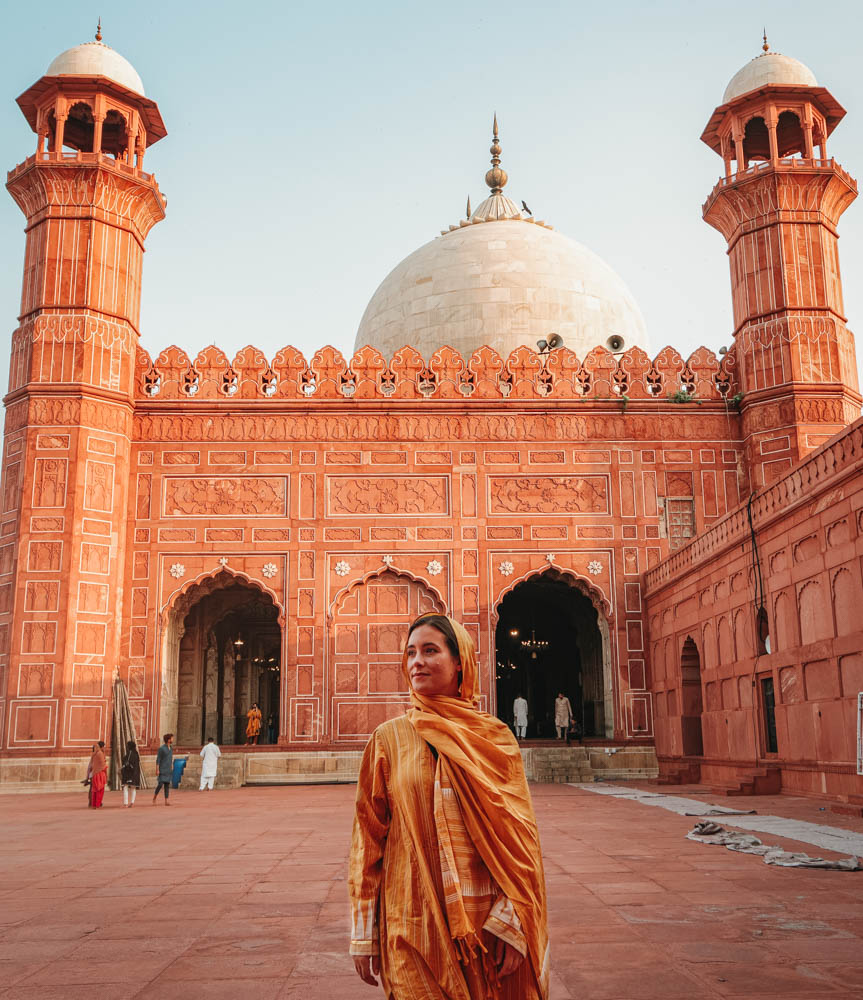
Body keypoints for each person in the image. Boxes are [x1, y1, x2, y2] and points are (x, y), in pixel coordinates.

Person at [349, 613, 549, 998]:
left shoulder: (494, 738)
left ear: (461, 661)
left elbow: (521, 841)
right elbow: (368, 839)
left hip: (485, 926)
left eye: (429, 650)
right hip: (410, 917)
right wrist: (363, 931)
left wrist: (513, 921)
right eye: (410, 653)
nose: (416, 662)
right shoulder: (388, 740)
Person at [153, 733, 175, 805]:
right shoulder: (162, 748)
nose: (172, 739)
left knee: (167, 785)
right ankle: (154, 797)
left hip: (168, 769)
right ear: (168, 740)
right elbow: (158, 759)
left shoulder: (171, 748)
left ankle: (166, 800)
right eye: (171, 738)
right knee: (160, 784)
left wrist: (172, 765)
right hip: (162, 769)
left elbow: (171, 758)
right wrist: (157, 769)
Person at [121, 739, 141, 807]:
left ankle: (125, 803)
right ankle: (132, 802)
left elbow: (125, 761)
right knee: (133, 787)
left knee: (125, 787)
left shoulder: (129, 754)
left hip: (129, 773)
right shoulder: (136, 754)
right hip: (136, 773)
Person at [87, 740, 108, 808]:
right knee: (99, 790)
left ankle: (92, 803)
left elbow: (90, 765)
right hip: (100, 774)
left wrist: (87, 776)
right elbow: (103, 765)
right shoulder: (100, 754)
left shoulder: (94, 753)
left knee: (93, 789)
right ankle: (97, 803)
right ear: (102, 747)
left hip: (93, 773)